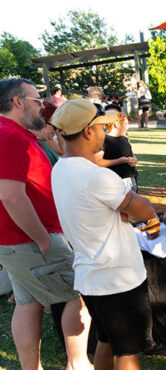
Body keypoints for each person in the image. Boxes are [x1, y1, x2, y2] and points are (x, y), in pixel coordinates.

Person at [50, 98, 156, 370]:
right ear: (87, 131)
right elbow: (143, 209)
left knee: (107, 342)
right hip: (117, 277)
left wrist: (124, 209)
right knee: (128, 352)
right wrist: (130, 206)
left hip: (91, 275)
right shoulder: (96, 177)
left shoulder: (60, 168)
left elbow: (96, 209)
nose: (104, 134)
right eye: (100, 128)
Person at [0, 78, 93, 370]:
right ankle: (77, 365)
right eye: (37, 100)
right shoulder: (9, 136)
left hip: (19, 242)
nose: (42, 106)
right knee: (81, 292)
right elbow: (11, 196)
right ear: (18, 102)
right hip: (30, 241)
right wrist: (42, 239)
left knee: (28, 302)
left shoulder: (16, 133)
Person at [98, 107, 139, 193]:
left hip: (130, 180)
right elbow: (98, 162)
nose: (128, 127)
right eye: (126, 124)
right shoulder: (103, 141)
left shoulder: (124, 139)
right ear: (117, 124)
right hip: (114, 182)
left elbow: (131, 154)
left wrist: (134, 159)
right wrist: (119, 161)